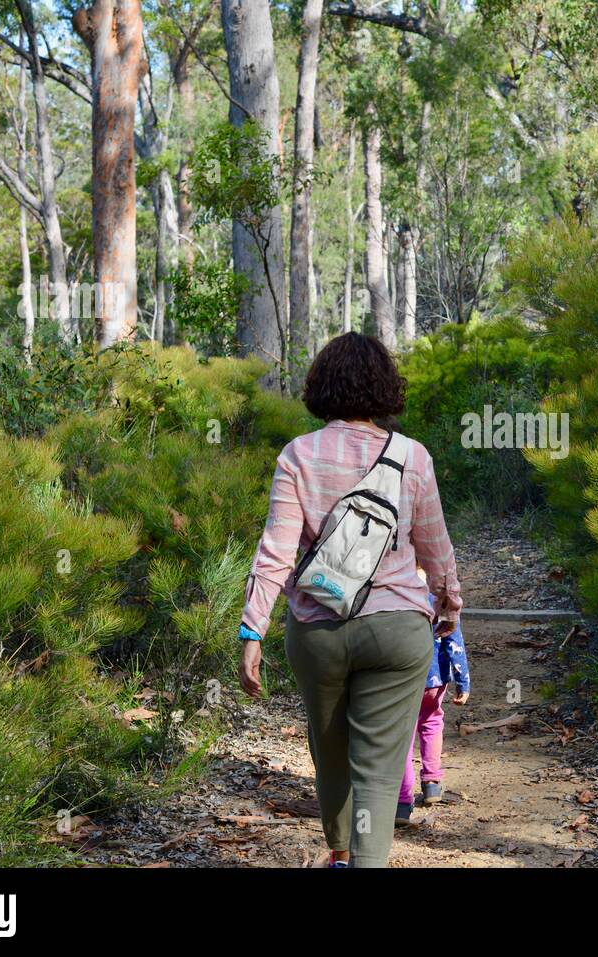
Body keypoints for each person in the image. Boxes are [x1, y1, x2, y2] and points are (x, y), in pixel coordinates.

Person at [236, 332, 463, 868]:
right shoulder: (412, 456)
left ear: (321, 387)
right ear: (385, 387)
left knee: (331, 752)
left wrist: (252, 631)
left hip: (318, 631)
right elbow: (437, 550)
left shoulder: (298, 455)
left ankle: (339, 854)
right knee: (380, 771)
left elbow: (275, 552)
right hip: (397, 631)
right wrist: (449, 609)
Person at [397, 566, 471, 827]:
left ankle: (402, 800)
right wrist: (463, 682)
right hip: (435, 679)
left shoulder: (394, 597)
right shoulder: (440, 600)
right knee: (431, 722)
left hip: (403, 679)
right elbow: (454, 641)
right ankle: (432, 783)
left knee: (402, 735)